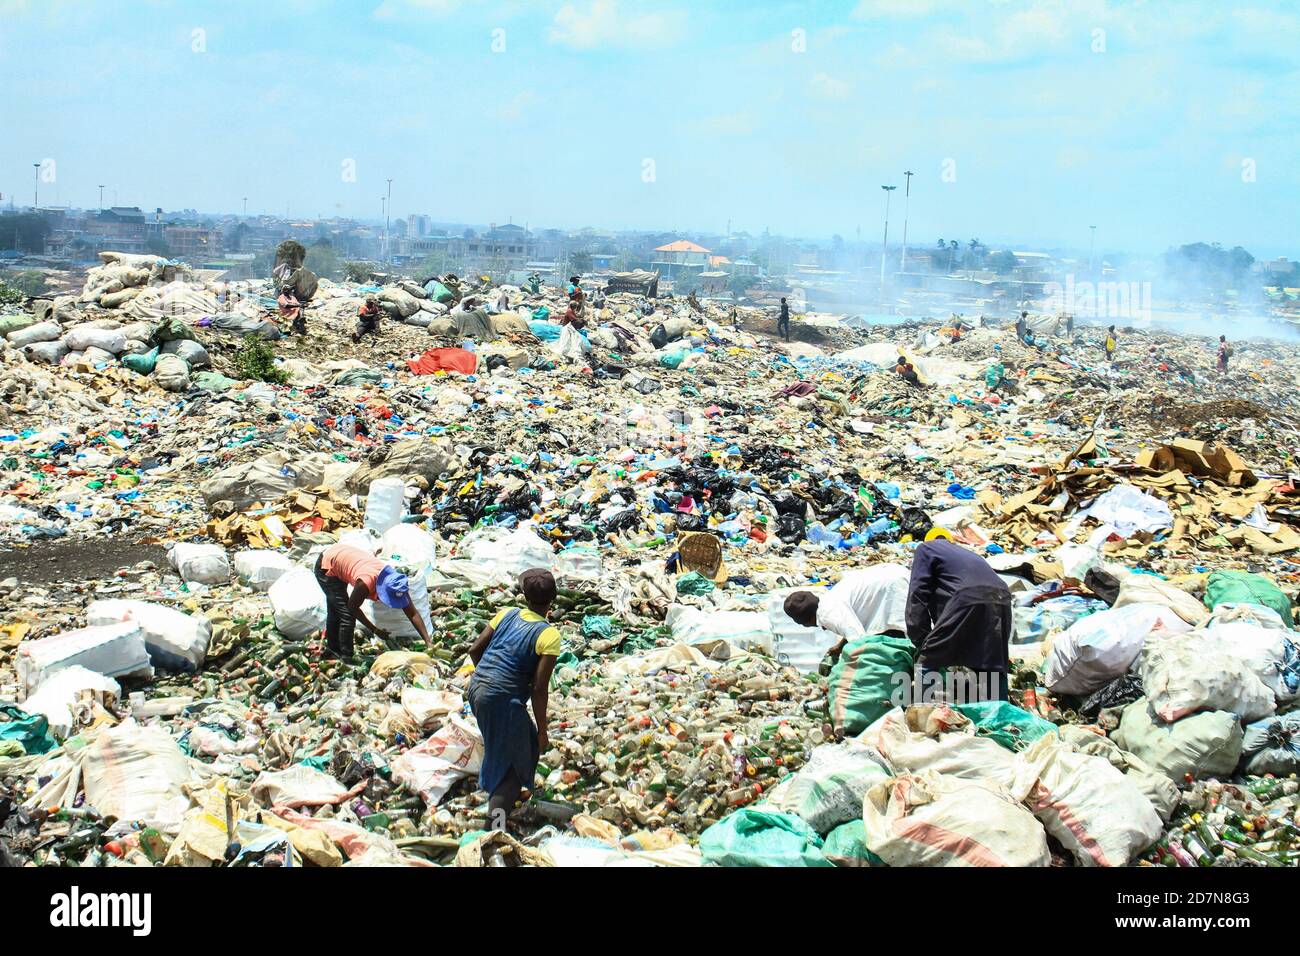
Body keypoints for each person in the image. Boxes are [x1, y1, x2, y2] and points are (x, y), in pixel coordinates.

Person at [467, 569, 561, 829]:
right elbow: (539, 689)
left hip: (476, 689)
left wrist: (487, 678)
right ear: (553, 599)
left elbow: (475, 650)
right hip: (501, 699)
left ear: (524, 596)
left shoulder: (506, 614)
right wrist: (543, 731)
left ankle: (499, 797)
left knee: (508, 746)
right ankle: (494, 828)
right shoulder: (548, 635)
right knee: (516, 763)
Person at [905, 538, 1012, 703]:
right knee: (992, 660)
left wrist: (921, 641)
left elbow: (917, 593)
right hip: (1002, 596)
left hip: (967, 596)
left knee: (928, 660)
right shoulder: (965, 554)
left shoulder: (926, 549)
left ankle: (920, 714)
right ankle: (1003, 717)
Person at [314, 542, 431, 661]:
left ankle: (332, 650)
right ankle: (346, 658)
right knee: (346, 615)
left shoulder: (396, 583)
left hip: (340, 558)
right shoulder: (366, 583)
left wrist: (428, 642)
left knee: (336, 609)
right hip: (326, 565)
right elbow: (352, 608)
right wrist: (374, 629)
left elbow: (413, 613)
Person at [782, 565, 911, 663]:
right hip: (894, 573)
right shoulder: (829, 601)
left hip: (894, 586)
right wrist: (840, 646)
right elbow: (850, 623)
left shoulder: (827, 614)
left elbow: (860, 642)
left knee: (908, 633)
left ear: (806, 622)